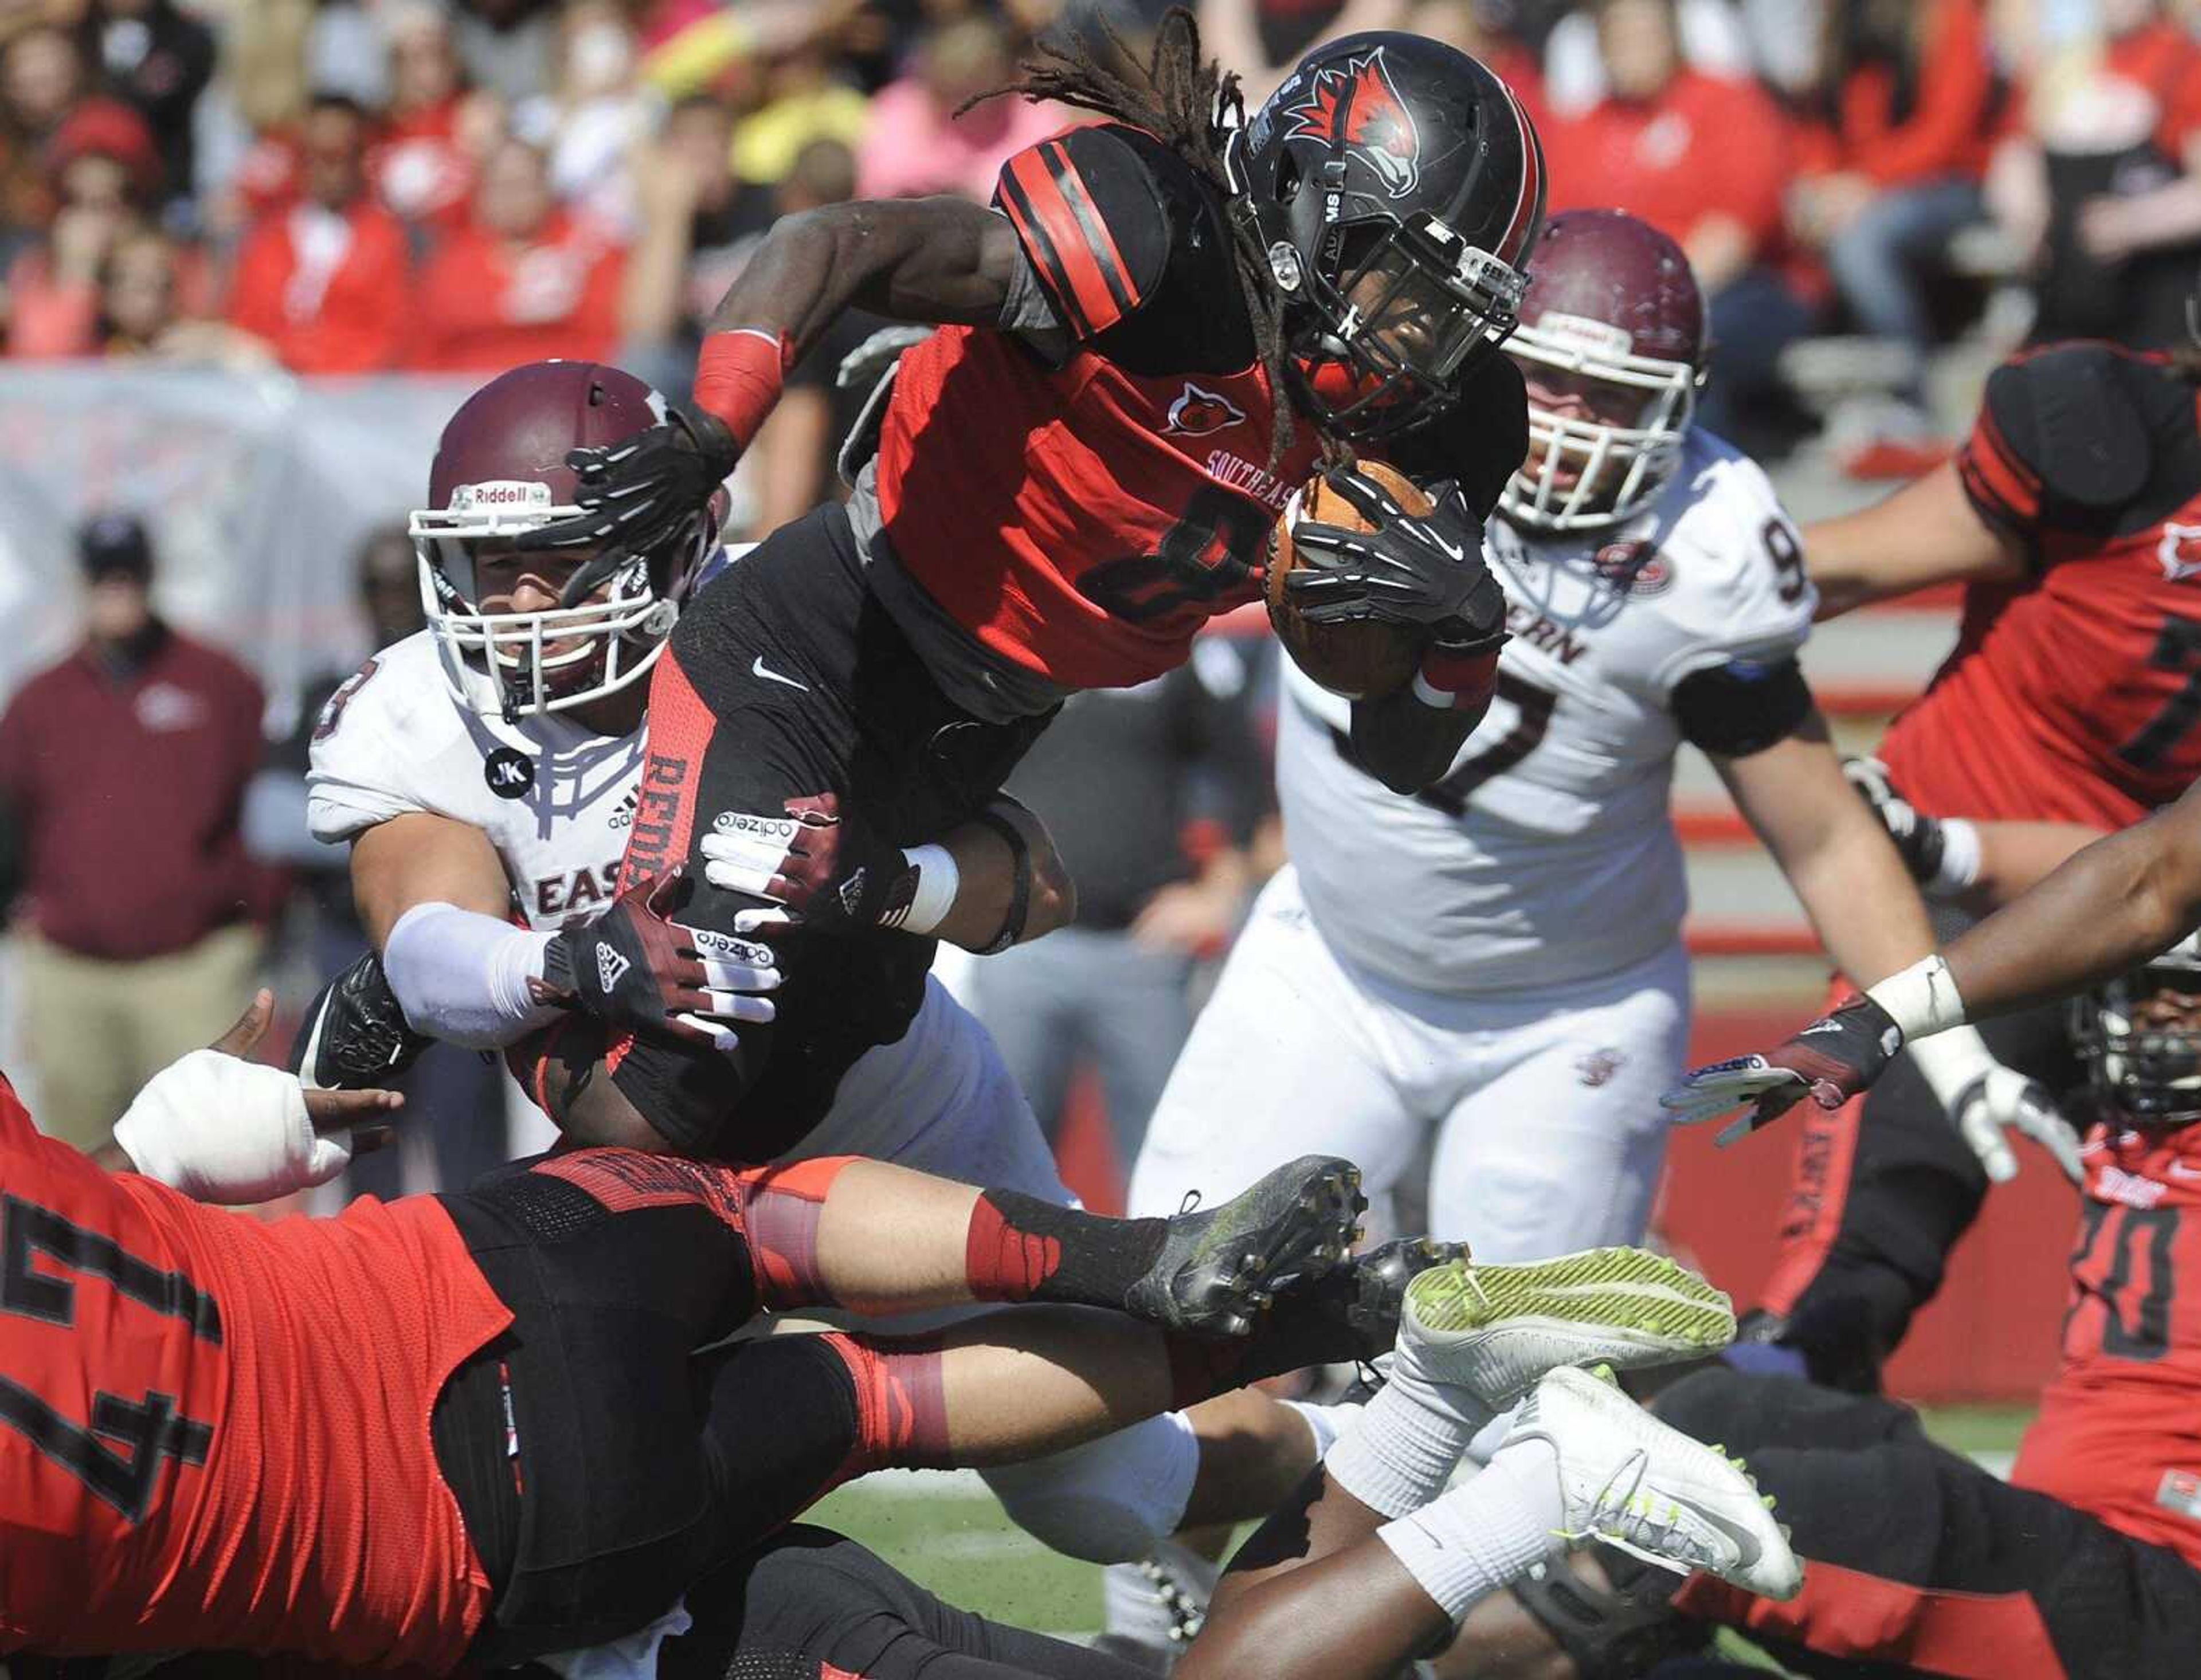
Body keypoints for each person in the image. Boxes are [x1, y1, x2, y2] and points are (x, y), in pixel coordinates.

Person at [298, 355, 1311, 1575]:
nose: (512, 605)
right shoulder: (415, 709)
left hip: (887, 1104)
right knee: (562, 1481)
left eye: (556, 563)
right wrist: (566, 960)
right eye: (487, 566)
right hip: (652, 1153)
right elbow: (423, 943)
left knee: (1103, 1501)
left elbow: (1036, 885)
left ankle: (1352, 1449)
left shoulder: (790, 617)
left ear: (677, 543)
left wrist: (880, 881)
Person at [504, 14, 1538, 1176]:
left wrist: (1464, 632)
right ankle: (491, 979)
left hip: (984, 731)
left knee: (799, 1086)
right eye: (1404, 284)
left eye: (1453, 311)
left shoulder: (1447, 416)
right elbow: (831, 239)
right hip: (821, 639)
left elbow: (1402, 753)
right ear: (1307, 207)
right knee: (663, 1086)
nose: (1421, 341)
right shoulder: (1167, 247)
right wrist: (711, 430)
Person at [1128, 210, 2027, 1273]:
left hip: (1562, 1020)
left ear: (1680, 404)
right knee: (1178, 1322)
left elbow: (1823, 836)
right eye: (1548, 382)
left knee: (1515, 1403)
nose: (1571, 424)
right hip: (1329, 961)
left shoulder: (1707, 548)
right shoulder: (1370, 417)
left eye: (1614, 397)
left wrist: (1937, 1029)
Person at [0, 989, 1394, 1670]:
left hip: (507, 1535)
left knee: (865, 1406)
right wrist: (160, 1143)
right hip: (470, 1272)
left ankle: (1294, 1348)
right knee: (753, 1224)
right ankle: (1212, 1284)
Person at [1690, 321, 2201, 1388]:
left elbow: (2161, 875)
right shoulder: (2126, 444)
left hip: (2170, 941)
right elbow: (1812, 572)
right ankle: (1639, 1548)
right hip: (1963, 937)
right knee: (1839, 1299)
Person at [0, 513, 275, 1153]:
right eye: (104, 576)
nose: (116, 589)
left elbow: (275, 800)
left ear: (152, 577)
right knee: (79, 1167)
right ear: (82, 582)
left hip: (192, 970)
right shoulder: (42, 699)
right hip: (74, 974)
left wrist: (253, 912)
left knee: (212, 1156)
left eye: (129, 574)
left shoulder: (219, 683)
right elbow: (9, 817)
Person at [969, 648, 1272, 1174]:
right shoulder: (998, 637)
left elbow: (1248, 776)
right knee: (996, 1162)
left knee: (1172, 1165)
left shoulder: (1173, 642)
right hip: (1011, 948)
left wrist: (1220, 894)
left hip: (1144, 954)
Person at [223, 92, 410, 373]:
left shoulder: (391, 241)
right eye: (313, 155)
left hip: (356, 397)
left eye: (337, 156)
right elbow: (245, 324)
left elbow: (396, 336)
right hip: (270, 394)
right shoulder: (266, 240)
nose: (325, 170)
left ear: (360, 158)